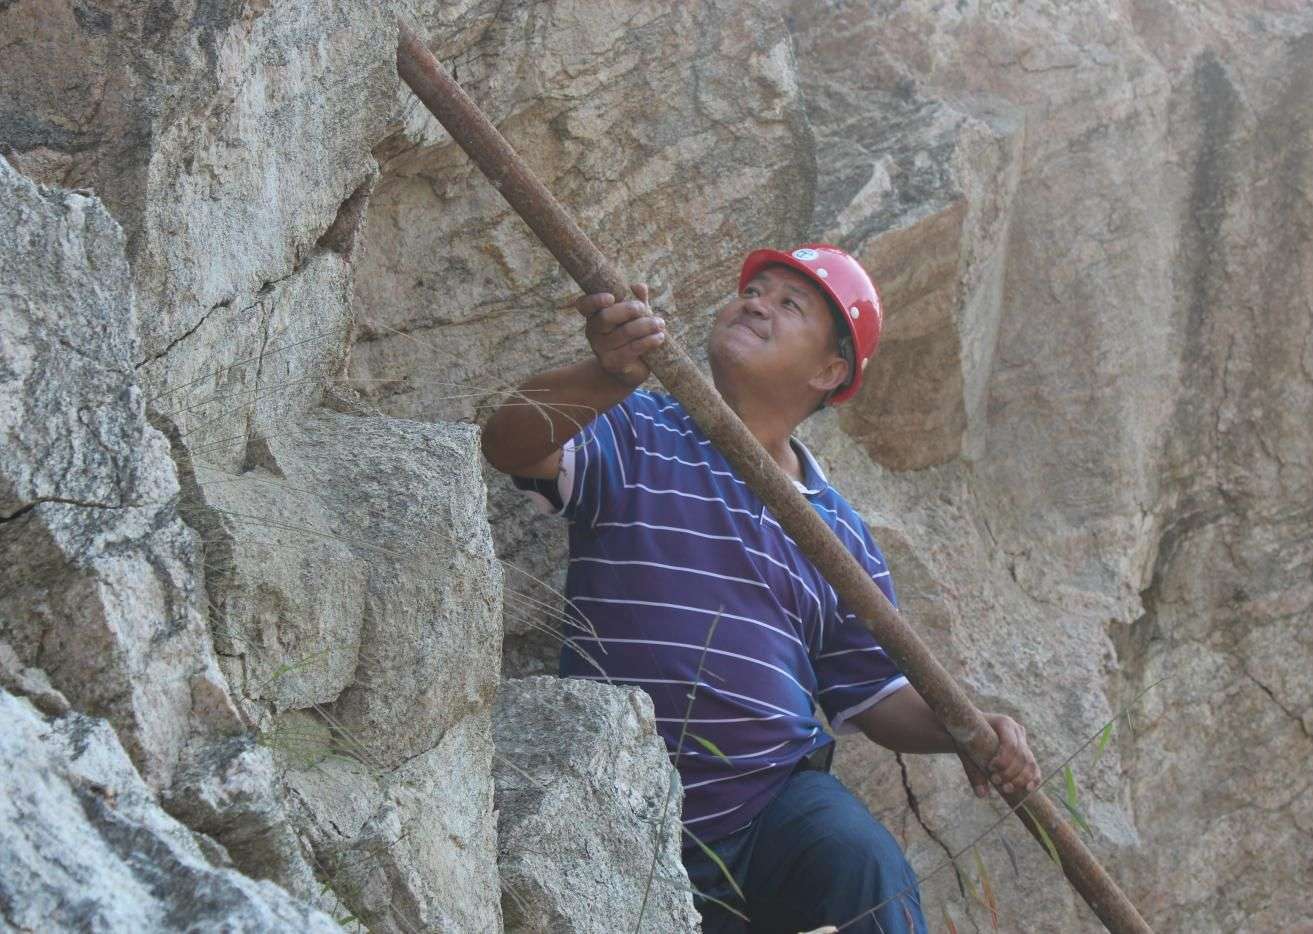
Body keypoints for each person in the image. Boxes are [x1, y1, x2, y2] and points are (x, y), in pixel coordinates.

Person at [481, 244, 1040, 933]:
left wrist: (967, 732)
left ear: (830, 370)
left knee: (859, 865)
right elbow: (510, 445)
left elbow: (872, 692)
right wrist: (606, 375)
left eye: (788, 303)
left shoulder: (835, 533)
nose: (755, 303)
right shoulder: (638, 427)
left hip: (771, 805)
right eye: (754, 290)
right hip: (618, 797)